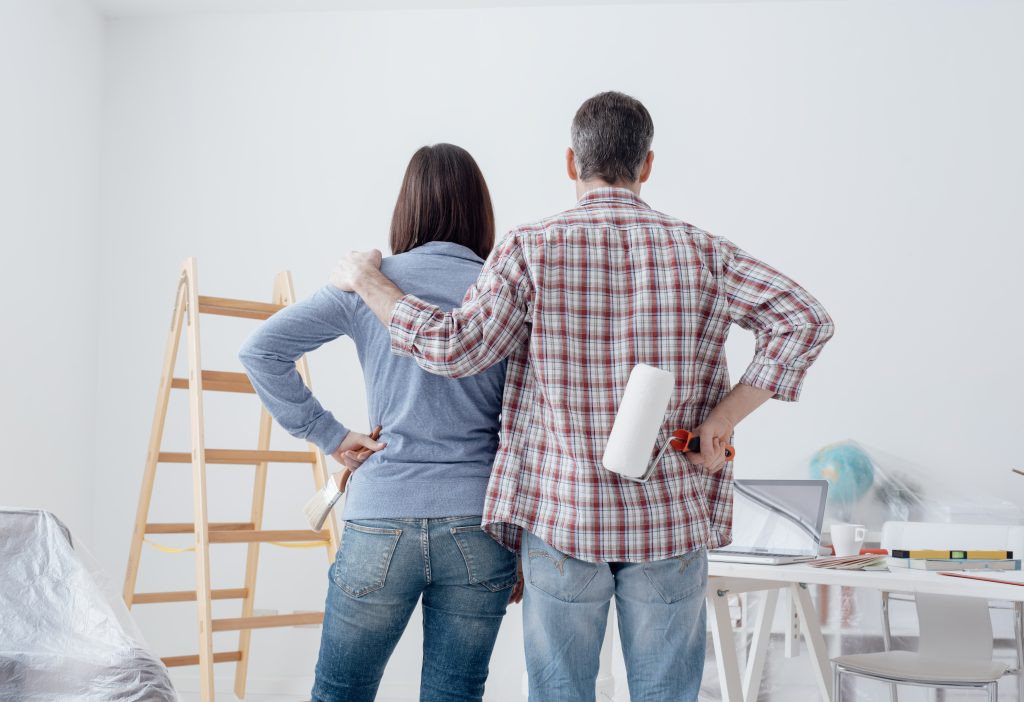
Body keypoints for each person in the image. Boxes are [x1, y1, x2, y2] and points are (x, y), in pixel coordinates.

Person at [329, 91, 836, 701]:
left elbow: (454, 349)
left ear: (571, 162)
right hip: (668, 523)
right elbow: (804, 319)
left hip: (564, 520)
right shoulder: (704, 251)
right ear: (647, 165)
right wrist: (724, 419)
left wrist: (367, 280)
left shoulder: (530, 249)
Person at [238, 143, 520, 702]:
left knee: (341, 692)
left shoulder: (369, 281)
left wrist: (330, 436)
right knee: (456, 693)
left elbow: (260, 350)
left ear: (406, 209)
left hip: (380, 516)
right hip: (479, 518)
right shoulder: (502, 288)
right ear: (481, 211)